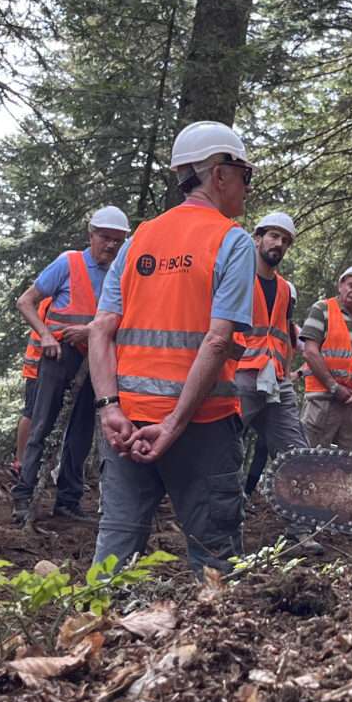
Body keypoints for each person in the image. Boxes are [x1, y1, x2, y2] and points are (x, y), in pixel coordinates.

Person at [88, 122, 254, 574]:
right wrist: (175, 423)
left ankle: (85, 637)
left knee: (115, 551)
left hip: (127, 421)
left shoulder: (140, 238)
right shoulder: (232, 240)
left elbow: (102, 327)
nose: (246, 185)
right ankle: (216, 642)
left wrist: (108, 408)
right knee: (215, 555)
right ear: (218, 174)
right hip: (201, 425)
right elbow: (218, 340)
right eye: (244, 173)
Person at [11, 204, 129, 524]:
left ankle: (68, 500)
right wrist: (46, 336)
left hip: (97, 361)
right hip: (59, 356)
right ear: (91, 235)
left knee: (81, 432)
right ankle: (24, 496)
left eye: (118, 240)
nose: (111, 245)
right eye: (105, 237)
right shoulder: (69, 263)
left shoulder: (122, 273)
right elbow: (26, 301)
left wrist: (91, 333)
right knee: (42, 425)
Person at [235, 212, 306, 489]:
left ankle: (301, 527)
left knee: (296, 453)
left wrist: (286, 374)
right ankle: (216, 519)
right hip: (239, 375)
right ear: (258, 237)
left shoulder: (285, 290)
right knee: (224, 448)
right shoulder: (236, 276)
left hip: (276, 381)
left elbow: (285, 335)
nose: (279, 244)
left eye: (285, 240)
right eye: (274, 236)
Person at [300, 264, 352, 448]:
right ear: (341, 285)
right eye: (351, 285)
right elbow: (310, 351)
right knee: (310, 459)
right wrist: (333, 386)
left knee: (345, 465)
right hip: (322, 399)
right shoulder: (322, 309)